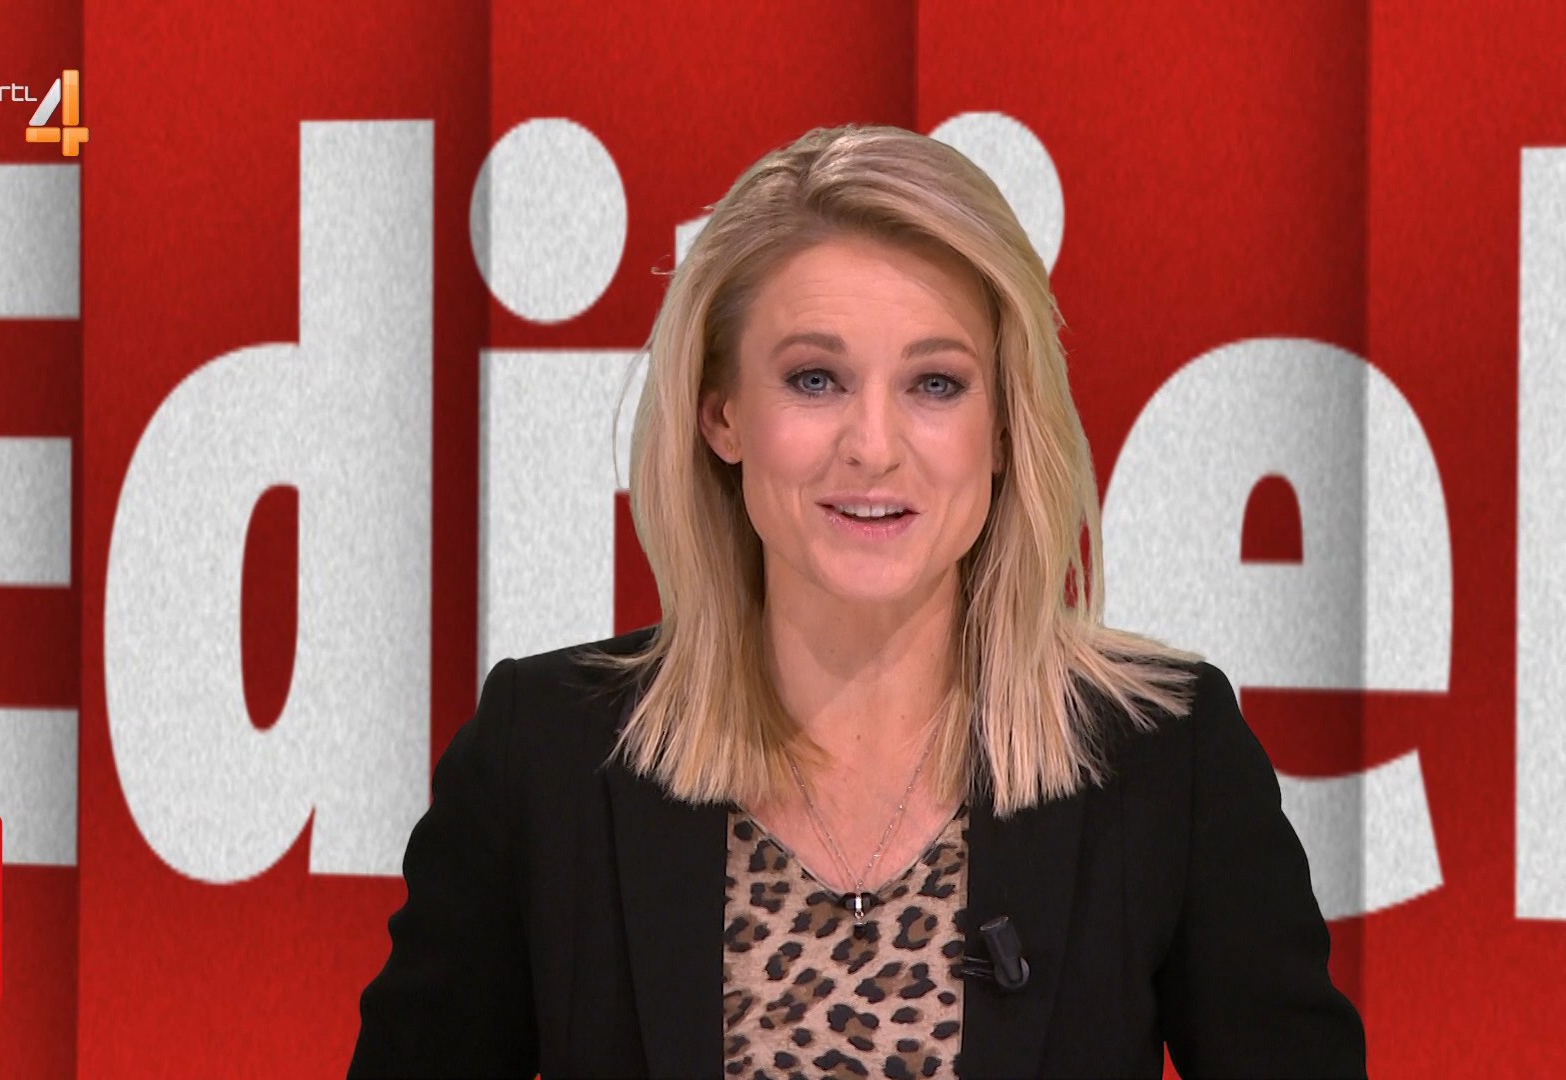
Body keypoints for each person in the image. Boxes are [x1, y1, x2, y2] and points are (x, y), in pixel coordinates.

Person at [348, 123, 1366, 1079]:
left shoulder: (1165, 759)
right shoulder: (544, 758)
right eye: (815, 379)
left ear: (1004, 425)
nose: (873, 446)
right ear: (720, 413)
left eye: (935, 385)